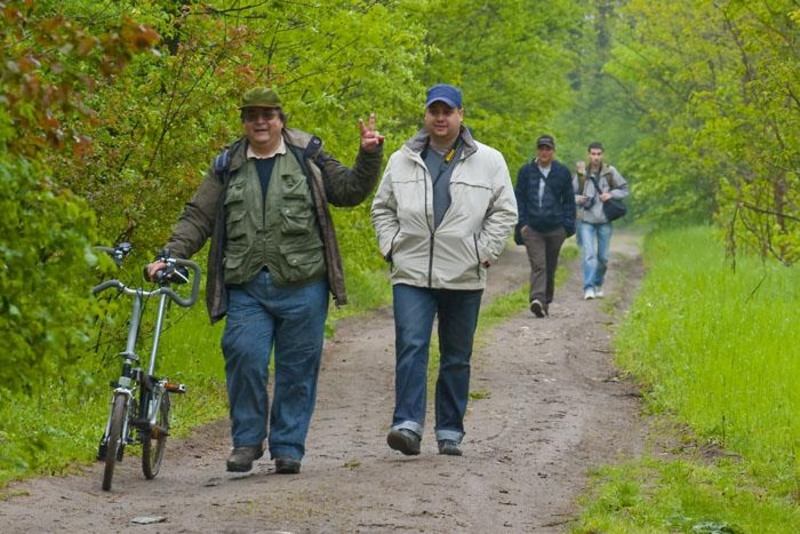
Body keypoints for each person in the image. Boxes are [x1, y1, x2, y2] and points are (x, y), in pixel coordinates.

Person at [146, 86, 384, 474]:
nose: (260, 122)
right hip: (247, 286)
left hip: (303, 284)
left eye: (268, 115)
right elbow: (198, 217)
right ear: (243, 122)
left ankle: (288, 447)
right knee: (244, 356)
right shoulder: (227, 164)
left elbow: (348, 190)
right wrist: (171, 255)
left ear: (280, 119)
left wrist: (369, 155)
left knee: (297, 368)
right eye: (252, 115)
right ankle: (247, 441)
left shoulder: (308, 154)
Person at [371, 83, 517, 457]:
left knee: (456, 355)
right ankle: (407, 423)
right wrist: (391, 247)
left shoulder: (489, 160)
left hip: (465, 272)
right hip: (411, 272)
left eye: (447, 111)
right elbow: (382, 208)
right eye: (434, 111)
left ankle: (450, 429)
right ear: (426, 115)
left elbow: (504, 212)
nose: (440, 117)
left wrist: (482, 252)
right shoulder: (402, 159)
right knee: (412, 346)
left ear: (460, 115)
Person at [514, 134, 576, 318]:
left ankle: (545, 301)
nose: (544, 152)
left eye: (547, 148)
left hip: (556, 227)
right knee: (539, 265)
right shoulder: (526, 171)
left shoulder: (562, 172)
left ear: (553, 151)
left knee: (550, 266)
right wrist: (522, 223)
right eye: (541, 148)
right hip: (532, 228)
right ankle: (537, 299)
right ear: (537, 150)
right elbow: (519, 198)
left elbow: (569, 201)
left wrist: (567, 226)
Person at [573, 141, 629, 300]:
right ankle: (588, 287)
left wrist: (610, 195)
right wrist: (579, 199)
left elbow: (624, 189)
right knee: (589, 255)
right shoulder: (581, 173)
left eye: (598, 154)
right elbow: (570, 193)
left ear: (602, 154)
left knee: (603, 257)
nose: (596, 157)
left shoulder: (610, 172)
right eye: (593, 154)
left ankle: (598, 283)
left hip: (604, 220)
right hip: (586, 220)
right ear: (588, 154)